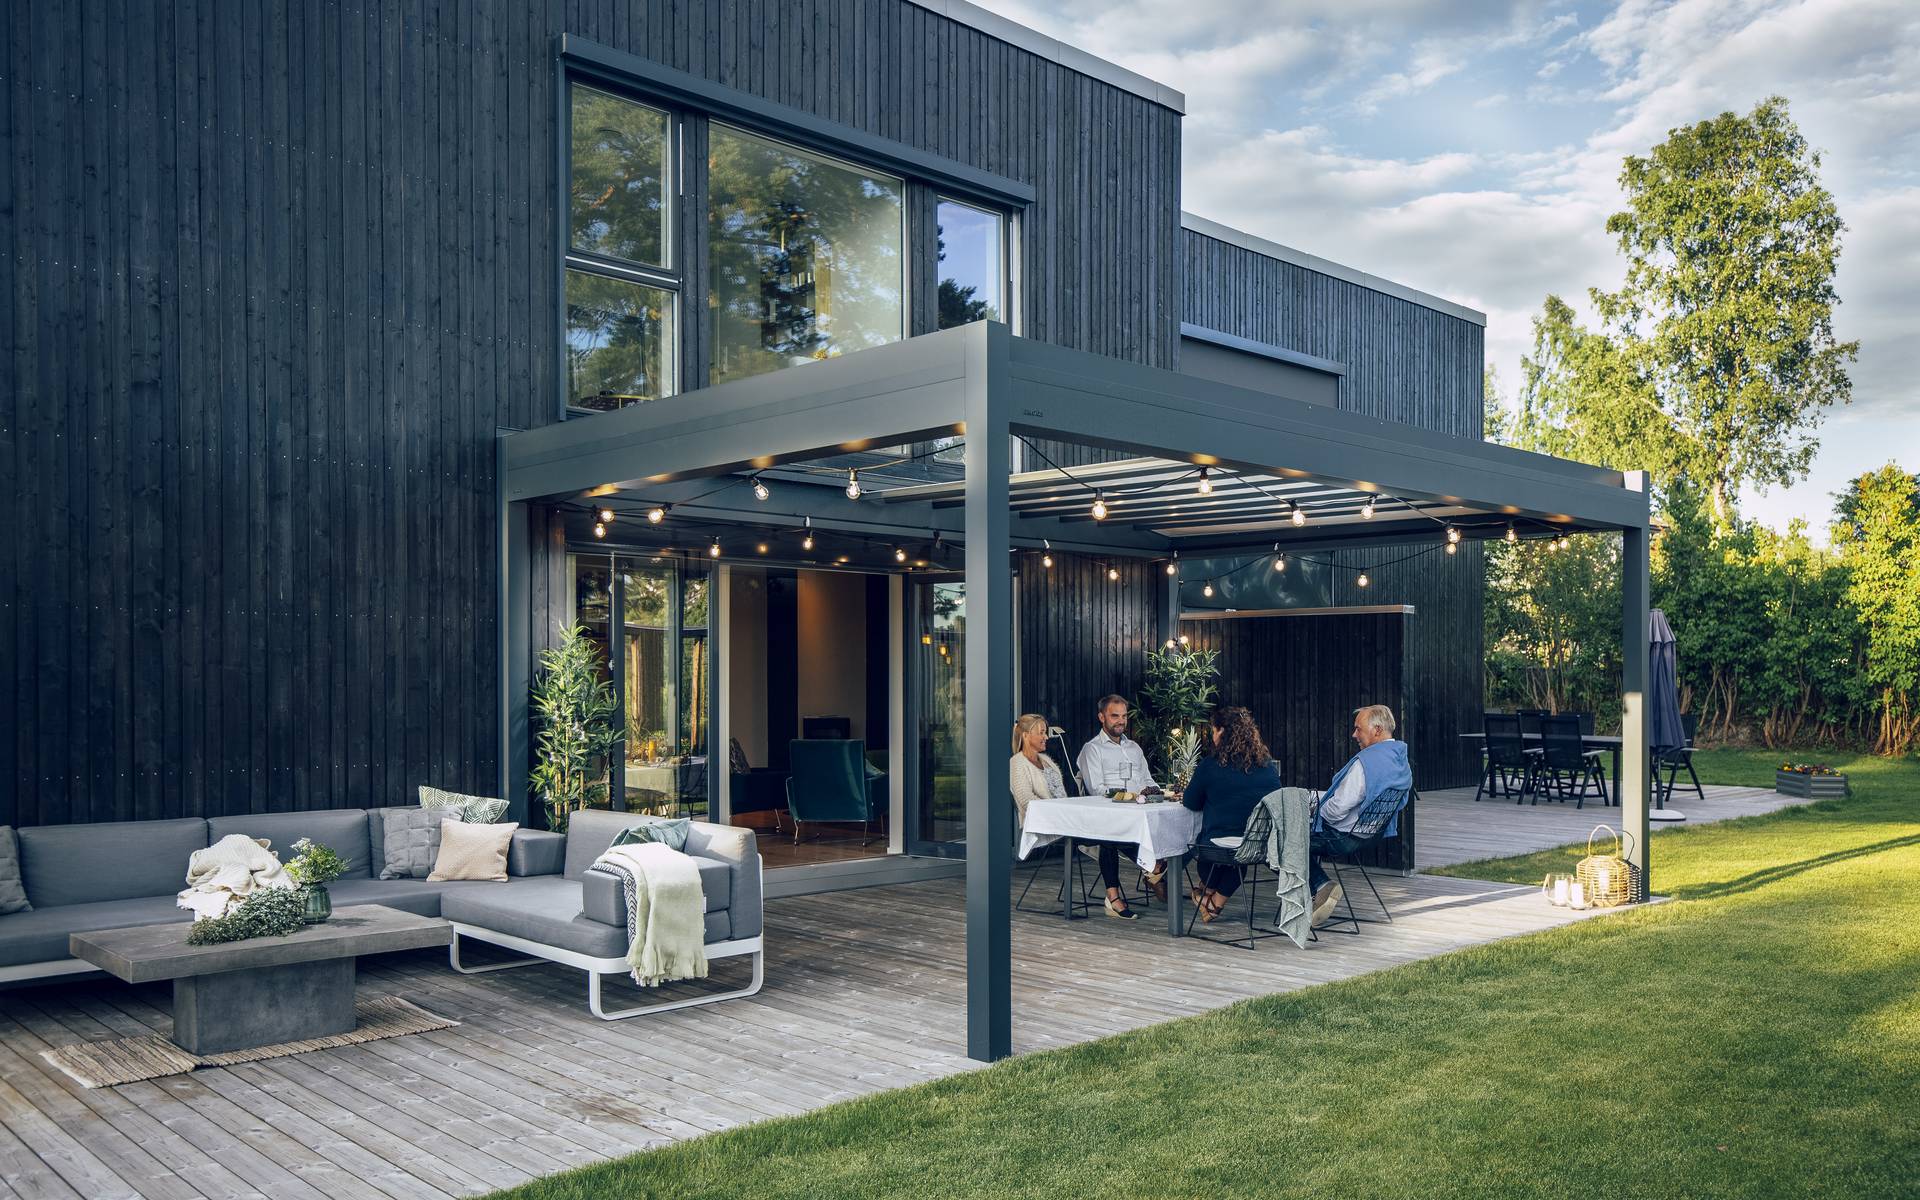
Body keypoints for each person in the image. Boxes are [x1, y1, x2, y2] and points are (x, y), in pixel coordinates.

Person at [1011, 713, 1138, 919]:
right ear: (1026, 736)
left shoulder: (1046, 761)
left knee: (1113, 826)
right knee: (1108, 835)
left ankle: (1144, 873)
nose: (1046, 737)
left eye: (1046, 732)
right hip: (1045, 823)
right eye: (1041, 733)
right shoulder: (1017, 763)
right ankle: (1118, 895)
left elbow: (1061, 794)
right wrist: (1061, 811)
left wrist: (1068, 810)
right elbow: (1026, 801)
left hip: (1065, 818)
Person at [1307, 704, 1413, 925]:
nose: (1354, 734)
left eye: (1358, 729)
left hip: (1341, 837)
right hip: (1370, 833)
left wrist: (1316, 807)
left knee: (1280, 841)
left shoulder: (1366, 763)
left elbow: (1335, 811)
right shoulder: (1399, 760)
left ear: (1376, 730)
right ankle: (1316, 890)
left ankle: (1320, 885)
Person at [1182, 706, 1283, 923]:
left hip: (1215, 848)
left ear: (1221, 731)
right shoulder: (1267, 767)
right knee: (1237, 859)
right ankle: (1213, 902)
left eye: (1213, 730)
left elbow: (1190, 802)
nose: (1212, 735)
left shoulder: (1210, 765)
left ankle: (1209, 898)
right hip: (1257, 845)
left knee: (1220, 856)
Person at [1076, 694, 1172, 899]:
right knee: (1113, 835)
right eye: (1114, 716)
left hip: (1143, 809)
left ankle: (1156, 871)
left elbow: (1148, 779)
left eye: (1124, 716)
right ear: (1101, 717)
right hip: (1113, 813)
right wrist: (1129, 797)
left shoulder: (1134, 747)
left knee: (1176, 821)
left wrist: (1160, 793)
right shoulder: (1092, 749)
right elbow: (1096, 790)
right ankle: (1154, 869)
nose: (1121, 721)